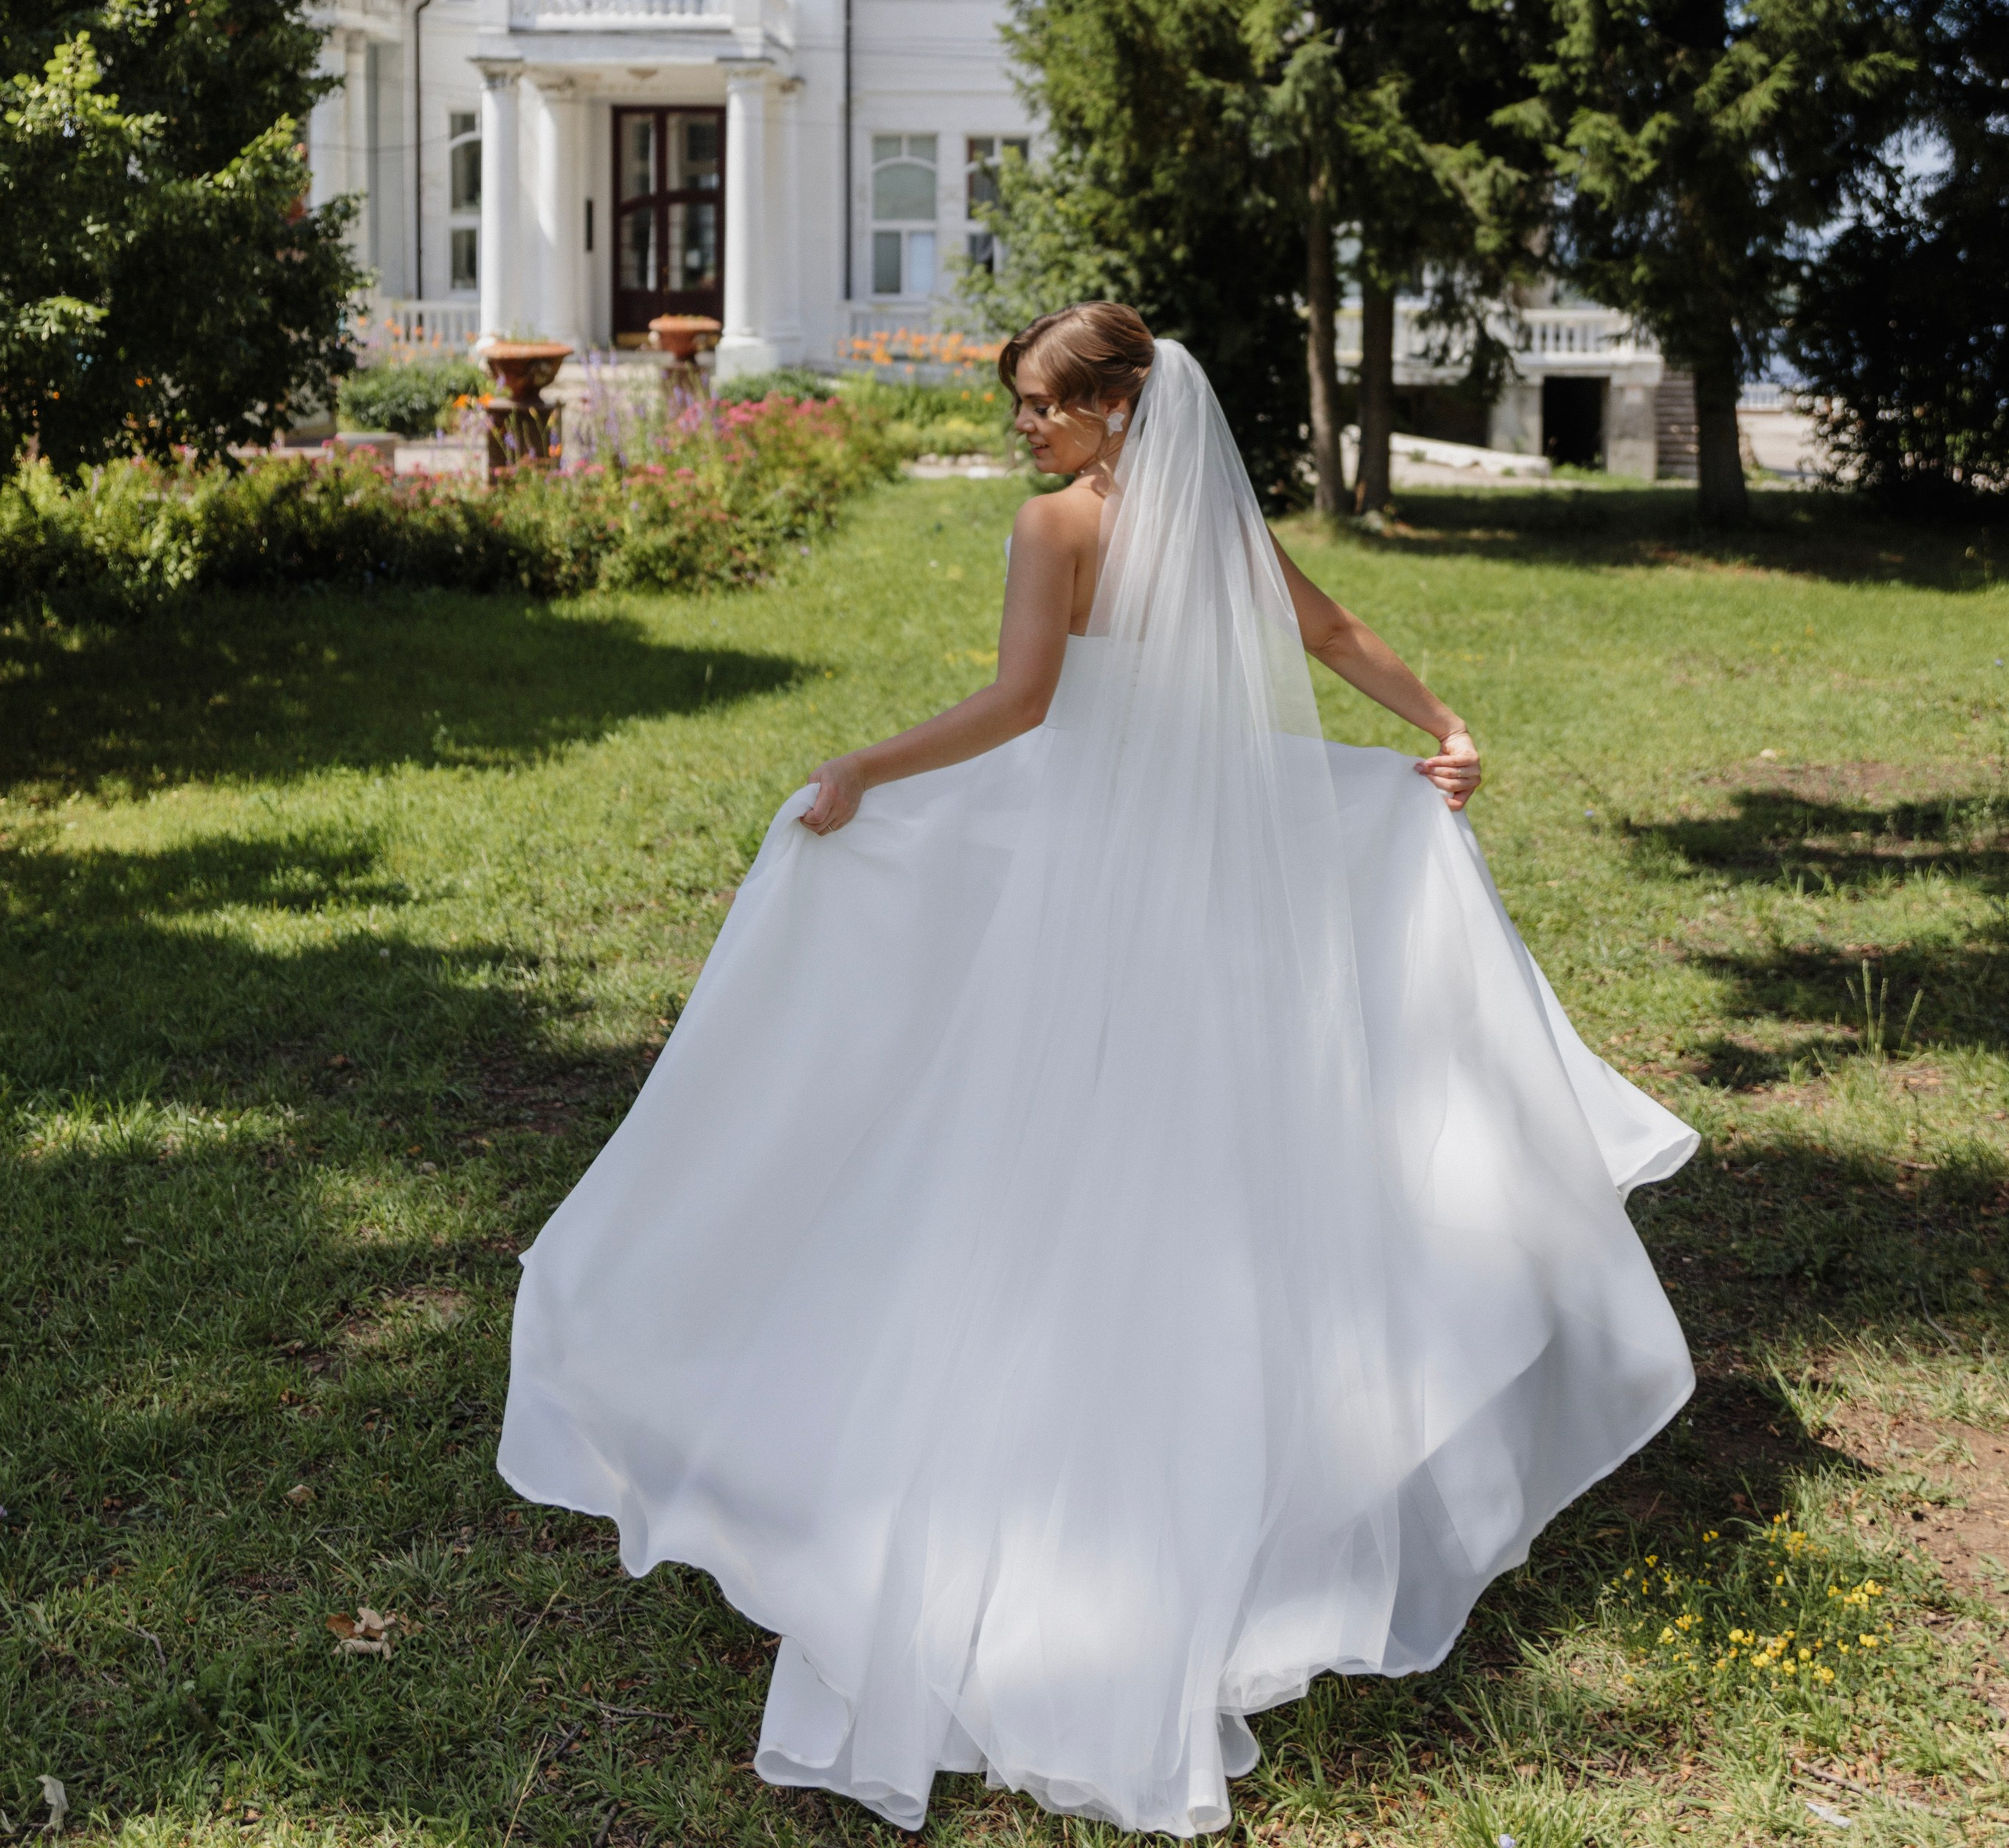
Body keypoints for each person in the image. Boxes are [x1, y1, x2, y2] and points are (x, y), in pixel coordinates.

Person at [500, 305, 1695, 1839]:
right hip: (1212, 862)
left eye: (1043, 407)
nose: (1026, 429)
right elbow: (1328, 637)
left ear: (1118, 405)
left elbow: (1023, 705)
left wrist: (863, 767)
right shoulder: (1209, 523)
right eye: (1019, 407)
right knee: (1190, 1132)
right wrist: (1438, 722)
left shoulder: (1053, 529)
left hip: (1094, 866)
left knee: (1063, 1135)